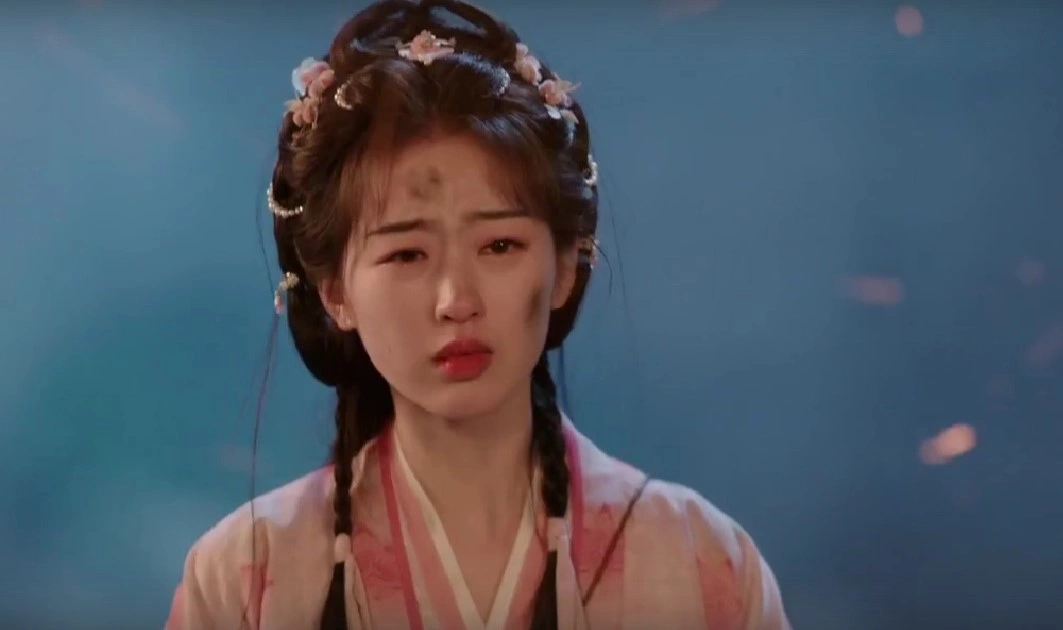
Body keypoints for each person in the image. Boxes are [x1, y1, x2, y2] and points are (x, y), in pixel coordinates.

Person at [165, 1, 791, 628]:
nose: (456, 300)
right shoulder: (243, 579)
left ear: (564, 266)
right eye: (407, 254)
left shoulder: (701, 563)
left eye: (500, 246)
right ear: (335, 294)